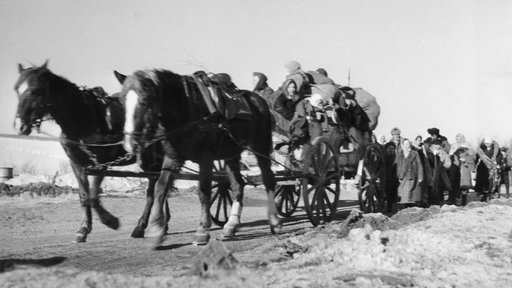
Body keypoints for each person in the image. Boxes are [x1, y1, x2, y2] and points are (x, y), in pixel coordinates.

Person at [395, 138, 424, 209]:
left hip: (411, 175)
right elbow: (396, 165)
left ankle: (409, 207)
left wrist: (420, 176)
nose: (406, 145)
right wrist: (397, 175)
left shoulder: (415, 153)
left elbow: (420, 165)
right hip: (402, 176)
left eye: (408, 144)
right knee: (403, 193)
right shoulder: (400, 154)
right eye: (405, 144)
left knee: (410, 193)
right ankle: (405, 207)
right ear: (402, 145)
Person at [450, 134, 476, 206]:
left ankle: (463, 202)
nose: (459, 140)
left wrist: (466, 161)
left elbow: (472, 158)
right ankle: (454, 201)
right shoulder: (453, 147)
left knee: (464, 186)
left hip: (464, 169)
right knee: (455, 185)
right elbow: (450, 157)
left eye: (461, 138)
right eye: (458, 139)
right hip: (455, 168)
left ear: (463, 139)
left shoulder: (468, 148)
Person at [475, 137, 502, 201]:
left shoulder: (496, 149)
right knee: (483, 181)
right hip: (483, 166)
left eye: (488, 143)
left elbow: (500, 156)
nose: (487, 144)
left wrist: (497, 161)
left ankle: (489, 194)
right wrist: (475, 164)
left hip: (492, 166)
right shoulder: (480, 149)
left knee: (491, 181)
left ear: (491, 143)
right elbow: (477, 157)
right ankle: (484, 194)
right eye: (486, 143)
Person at [425, 138, 452, 205]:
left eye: (438, 144)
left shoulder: (443, 152)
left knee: (440, 187)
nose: (437, 146)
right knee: (431, 187)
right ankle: (430, 201)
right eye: (435, 144)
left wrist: (444, 166)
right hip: (431, 172)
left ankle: (439, 201)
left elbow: (448, 162)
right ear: (432, 145)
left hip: (440, 173)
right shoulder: (428, 152)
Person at [384, 141, 399, 212]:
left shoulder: (395, 157)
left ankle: (389, 207)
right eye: (389, 148)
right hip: (383, 177)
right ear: (386, 149)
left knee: (391, 192)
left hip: (392, 177)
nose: (391, 150)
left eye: (393, 149)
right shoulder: (383, 157)